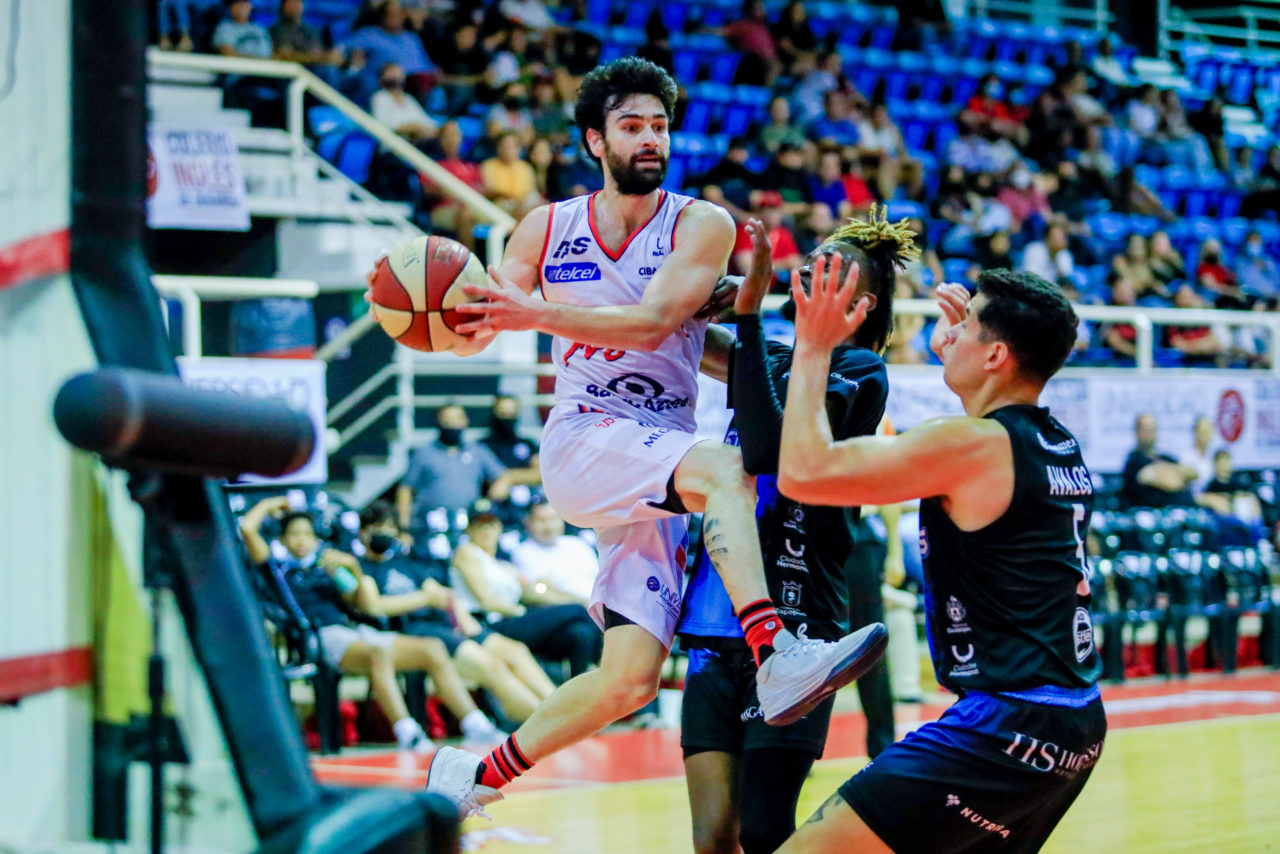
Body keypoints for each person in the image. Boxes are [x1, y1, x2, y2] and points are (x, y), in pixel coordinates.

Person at [389, 57, 886, 816]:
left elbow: (659, 327)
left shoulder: (701, 224)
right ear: (595, 140)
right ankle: (778, 653)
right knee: (724, 469)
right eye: (631, 125)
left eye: (659, 125)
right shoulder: (545, 226)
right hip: (588, 438)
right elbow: (482, 324)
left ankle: (473, 774)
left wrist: (539, 314)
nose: (650, 138)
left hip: (658, 455)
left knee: (628, 679)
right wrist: (439, 311)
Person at [772, 266, 1107, 854]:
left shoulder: (969, 444)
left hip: (1008, 724)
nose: (948, 333)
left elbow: (803, 472)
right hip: (1072, 722)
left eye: (967, 326)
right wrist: (965, 365)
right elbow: (989, 435)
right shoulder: (1057, 442)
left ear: (997, 353)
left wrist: (814, 345)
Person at [679, 211, 907, 854]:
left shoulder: (861, 369)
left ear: (857, 305)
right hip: (716, 624)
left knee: (764, 828)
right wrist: (692, 292)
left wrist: (747, 316)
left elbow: (767, 450)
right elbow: (693, 342)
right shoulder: (774, 356)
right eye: (811, 256)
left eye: (829, 268)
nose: (807, 266)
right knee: (710, 837)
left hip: (798, 625)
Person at [239, 497, 505, 751]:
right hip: (323, 637)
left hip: (355, 630)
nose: (301, 540)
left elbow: (360, 602)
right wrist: (271, 504)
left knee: (433, 648)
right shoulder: (277, 570)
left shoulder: (328, 567)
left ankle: (476, 725)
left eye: (307, 534)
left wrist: (352, 568)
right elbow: (247, 528)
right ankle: (408, 733)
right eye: (295, 534)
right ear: (283, 540)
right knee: (378, 654)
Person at [356, 503, 555, 725]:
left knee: (515, 651)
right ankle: (546, 723)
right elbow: (373, 606)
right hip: (415, 630)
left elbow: (441, 594)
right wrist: (423, 598)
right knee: (491, 666)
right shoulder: (363, 567)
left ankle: (562, 710)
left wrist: (460, 616)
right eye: (378, 527)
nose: (384, 533)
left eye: (389, 527)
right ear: (363, 533)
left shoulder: (406, 563)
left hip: (447, 623)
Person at [450, 511, 603, 676]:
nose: (486, 530)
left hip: (516, 619)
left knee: (579, 633)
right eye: (479, 525)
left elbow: (532, 592)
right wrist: (520, 611)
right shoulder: (468, 552)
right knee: (577, 610)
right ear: (469, 530)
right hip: (490, 623)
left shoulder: (504, 565)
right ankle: (603, 666)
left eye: (491, 524)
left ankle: (582, 692)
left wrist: (549, 591)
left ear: (499, 528)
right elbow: (487, 602)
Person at [398, 403, 513, 536]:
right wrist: (404, 527)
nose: (452, 424)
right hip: (429, 525)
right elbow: (406, 488)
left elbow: (504, 474)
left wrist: (501, 484)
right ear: (438, 421)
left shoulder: (477, 451)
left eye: (457, 419)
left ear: (465, 421)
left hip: (467, 523)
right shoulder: (424, 453)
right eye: (447, 420)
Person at [510, 501, 599, 604]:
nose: (549, 526)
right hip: (573, 610)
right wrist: (588, 604)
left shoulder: (577, 543)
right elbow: (547, 591)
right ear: (528, 522)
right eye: (542, 520)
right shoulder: (524, 552)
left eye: (553, 519)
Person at [1121, 413, 1197, 509]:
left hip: (1181, 511)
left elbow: (1193, 473)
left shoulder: (1165, 457)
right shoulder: (1134, 461)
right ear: (1137, 432)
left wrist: (1165, 470)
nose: (1150, 434)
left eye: (1153, 429)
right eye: (1146, 430)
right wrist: (1176, 474)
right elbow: (1169, 483)